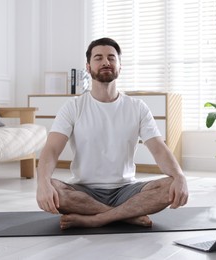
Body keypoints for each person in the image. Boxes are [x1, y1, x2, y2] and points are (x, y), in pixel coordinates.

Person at [36, 37, 188, 229]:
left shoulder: (137, 107)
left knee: (170, 185)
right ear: (88, 67)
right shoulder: (73, 107)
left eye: (111, 58)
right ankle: (126, 215)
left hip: (126, 190)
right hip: (84, 191)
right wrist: (42, 183)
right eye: (98, 58)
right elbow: (51, 150)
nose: (106, 62)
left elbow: (159, 149)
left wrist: (180, 177)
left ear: (120, 66)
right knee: (52, 187)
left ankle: (97, 218)